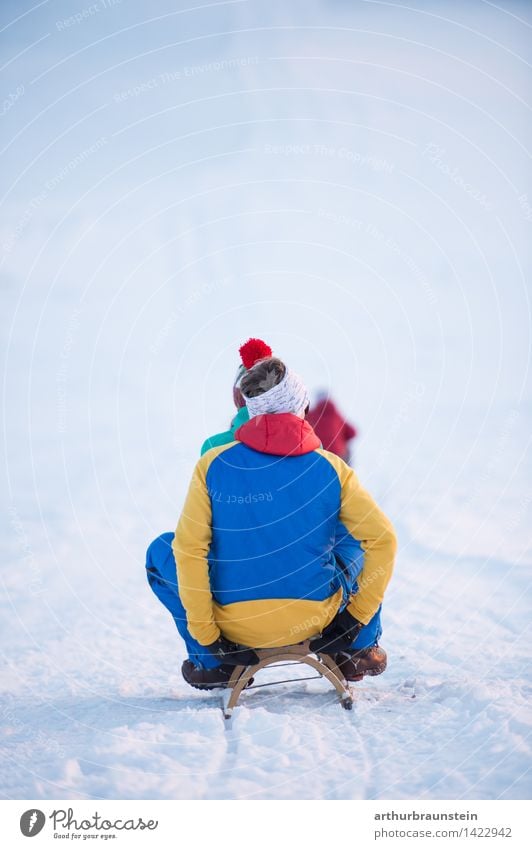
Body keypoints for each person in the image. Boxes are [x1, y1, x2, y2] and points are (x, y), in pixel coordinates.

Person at [146, 354, 396, 689]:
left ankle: (212, 664)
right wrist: (354, 619)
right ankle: (354, 648)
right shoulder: (331, 467)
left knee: (162, 549)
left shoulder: (212, 464)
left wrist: (207, 635)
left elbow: (190, 549)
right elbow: (383, 540)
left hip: (233, 622)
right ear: (302, 408)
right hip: (314, 616)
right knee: (356, 538)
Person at [307, 390, 357, 463]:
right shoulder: (336, 415)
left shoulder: (310, 415)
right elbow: (353, 432)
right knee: (347, 450)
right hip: (339, 455)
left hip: (320, 455)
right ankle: (347, 472)